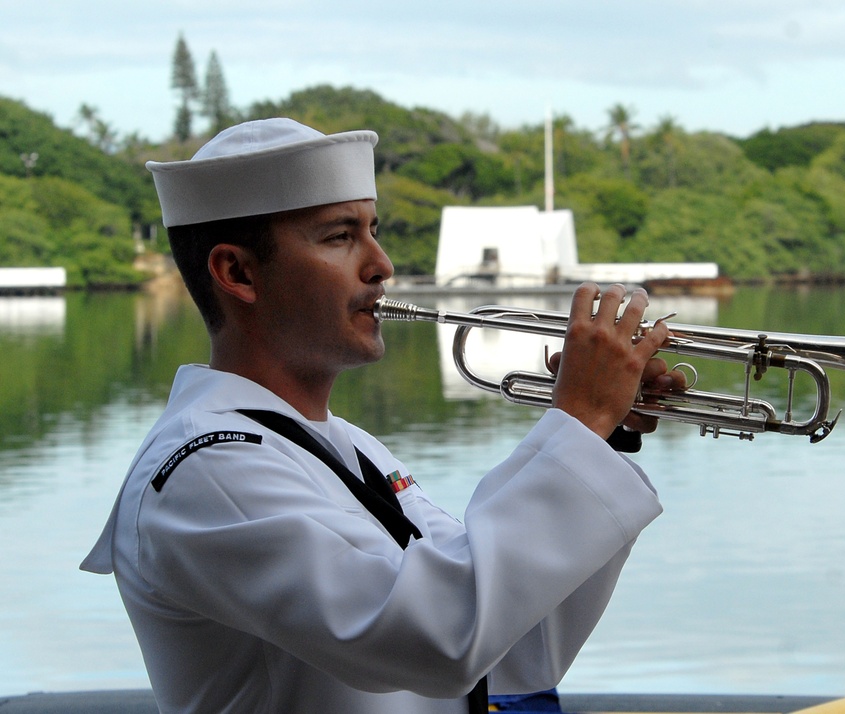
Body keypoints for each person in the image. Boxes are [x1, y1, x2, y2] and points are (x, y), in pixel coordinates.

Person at [81, 118, 685, 713]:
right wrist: (577, 423)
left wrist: (600, 436)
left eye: (372, 229)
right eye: (340, 236)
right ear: (237, 272)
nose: (382, 264)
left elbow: (512, 651)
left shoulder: (342, 444)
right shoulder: (208, 467)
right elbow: (440, 643)